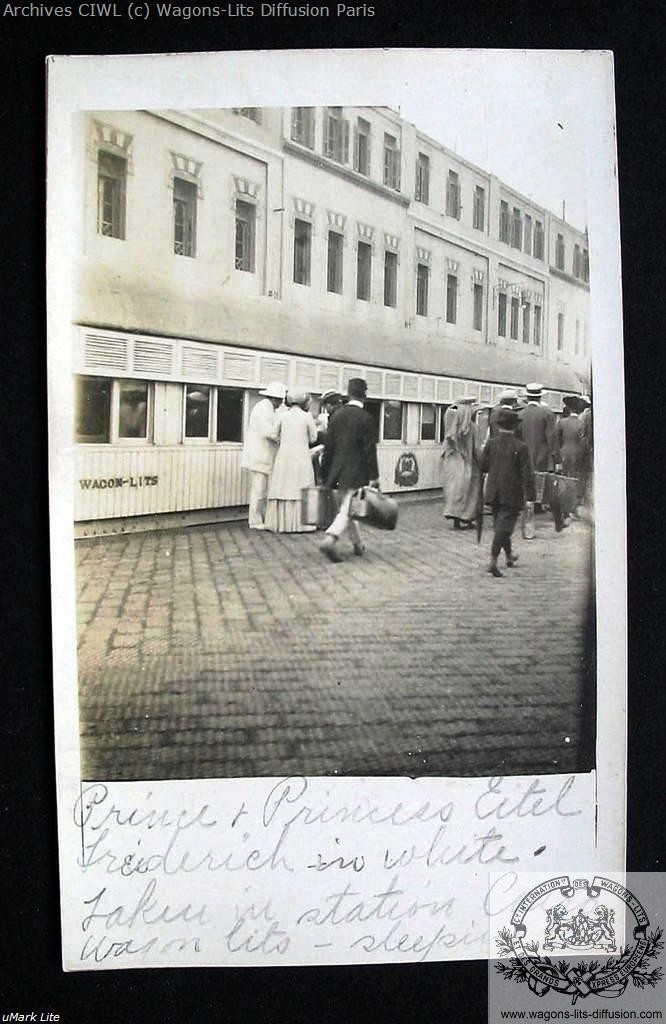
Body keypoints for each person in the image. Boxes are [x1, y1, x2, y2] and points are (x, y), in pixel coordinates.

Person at [319, 377, 379, 562]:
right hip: (356, 473)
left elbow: (329, 448)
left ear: (349, 394)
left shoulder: (336, 416)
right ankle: (331, 538)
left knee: (348, 508)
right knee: (347, 510)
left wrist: (324, 474)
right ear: (365, 396)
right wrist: (374, 476)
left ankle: (357, 545)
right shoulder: (366, 418)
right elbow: (369, 450)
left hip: (336, 472)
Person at [480, 406, 536, 577]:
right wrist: (530, 497)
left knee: (500, 524)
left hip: (494, 491)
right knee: (503, 528)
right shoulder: (521, 447)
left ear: (499, 426)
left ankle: (509, 556)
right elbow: (527, 474)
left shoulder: (490, 443)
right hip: (512, 493)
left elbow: (483, 466)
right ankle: (493, 561)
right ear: (515, 426)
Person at [264, 391, 319, 533]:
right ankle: (302, 524)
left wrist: (283, 439)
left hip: (285, 455)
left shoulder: (282, 415)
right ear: (303, 401)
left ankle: (282, 523)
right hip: (301, 455)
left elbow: (272, 434)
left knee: (284, 484)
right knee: (301, 483)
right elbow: (313, 438)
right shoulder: (307, 416)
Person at [240, 381, 285, 530]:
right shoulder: (263, 409)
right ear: (275, 398)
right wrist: (282, 438)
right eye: (280, 400)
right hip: (259, 455)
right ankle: (255, 520)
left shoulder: (267, 408)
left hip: (263, 455)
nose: (281, 403)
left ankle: (262, 518)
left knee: (262, 489)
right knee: (259, 490)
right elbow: (268, 432)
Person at [440, 397, 481, 529]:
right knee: (469, 491)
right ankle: (466, 518)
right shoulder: (473, 429)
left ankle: (454, 518)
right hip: (468, 464)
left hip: (451, 464)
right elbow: (477, 450)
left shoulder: (450, 433)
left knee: (453, 490)